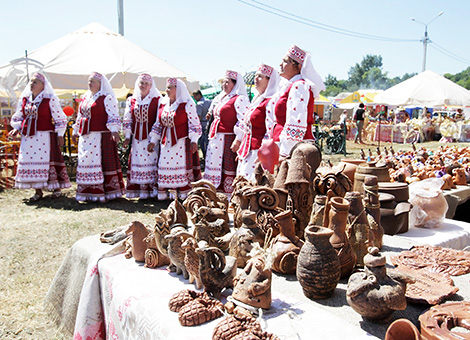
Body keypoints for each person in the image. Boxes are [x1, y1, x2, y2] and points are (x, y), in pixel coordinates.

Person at [9, 72, 71, 201]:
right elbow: (19, 116)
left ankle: (56, 188)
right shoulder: (26, 99)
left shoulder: (49, 99)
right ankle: (37, 191)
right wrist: (16, 128)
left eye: (35, 82)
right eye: (31, 82)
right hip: (28, 137)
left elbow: (59, 117)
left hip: (44, 136)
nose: (32, 84)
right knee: (30, 161)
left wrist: (60, 134)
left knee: (47, 161)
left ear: (43, 85)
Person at [72, 72, 125, 202]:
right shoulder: (85, 97)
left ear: (101, 84)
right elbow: (80, 116)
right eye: (89, 81)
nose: (90, 84)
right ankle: (88, 191)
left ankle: (105, 192)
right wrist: (75, 131)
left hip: (101, 136)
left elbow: (113, 115)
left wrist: (114, 130)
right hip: (86, 137)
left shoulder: (106, 97)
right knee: (86, 162)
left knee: (101, 163)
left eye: (93, 81)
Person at [148, 78, 202, 200]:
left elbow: (194, 124)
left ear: (178, 89)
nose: (167, 90)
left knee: (180, 167)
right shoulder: (163, 104)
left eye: (169, 87)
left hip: (181, 142)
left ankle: (182, 194)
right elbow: (158, 123)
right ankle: (168, 193)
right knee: (164, 165)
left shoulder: (187, 104)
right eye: (167, 87)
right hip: (165, 143)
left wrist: (194, 141)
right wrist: (153, 140)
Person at [268, 45, 325, 158]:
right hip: (281, 144)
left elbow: (296, 122)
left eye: (285, 61)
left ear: (298, 66)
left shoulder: (300, 86)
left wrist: (285, 153)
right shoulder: (288, 86)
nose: (280, 65)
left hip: (291, 149)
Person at [203, 70, 249, 194]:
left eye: (227, 82)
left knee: (226, 165)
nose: (224, 84)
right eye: (223, 82)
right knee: (215, 164)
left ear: (235, 84)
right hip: (216, 137)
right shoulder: (221, 98)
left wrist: (238, 138)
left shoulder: (239, 99)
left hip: (228, 138)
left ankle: (227, 193)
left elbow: (243, 120)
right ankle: (214, 190)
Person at [237, 64, 280, 180]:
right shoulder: (257, 100)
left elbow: (271, 130)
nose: (256, 79)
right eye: (255, 76)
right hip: (247, 150)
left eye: (260, 76)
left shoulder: (271, 101)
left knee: (252, 183)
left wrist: (264, 154)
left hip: (258, 150)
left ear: (269, 81)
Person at [122, 74, 161, 199]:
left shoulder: (157, 99)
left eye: (146, 83)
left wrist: (154, 139)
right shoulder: (132, 100)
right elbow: (127, 119)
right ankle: (140, 191)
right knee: (137, 162)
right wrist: (127, 136)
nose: (143, 86)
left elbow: (158, 120)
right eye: (141, 83)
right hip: (136, 139)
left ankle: (152, 191)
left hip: (150, 137)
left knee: (151, 161)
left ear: (151, 85)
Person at [192, 90, 211, 160]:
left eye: (195, 96)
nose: (194, 98)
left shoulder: (199, 104)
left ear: (199, 95)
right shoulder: (209, 101)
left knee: (203, 142)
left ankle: (205, 158)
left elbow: (198, 117)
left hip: (202, 124)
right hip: (209, 123)